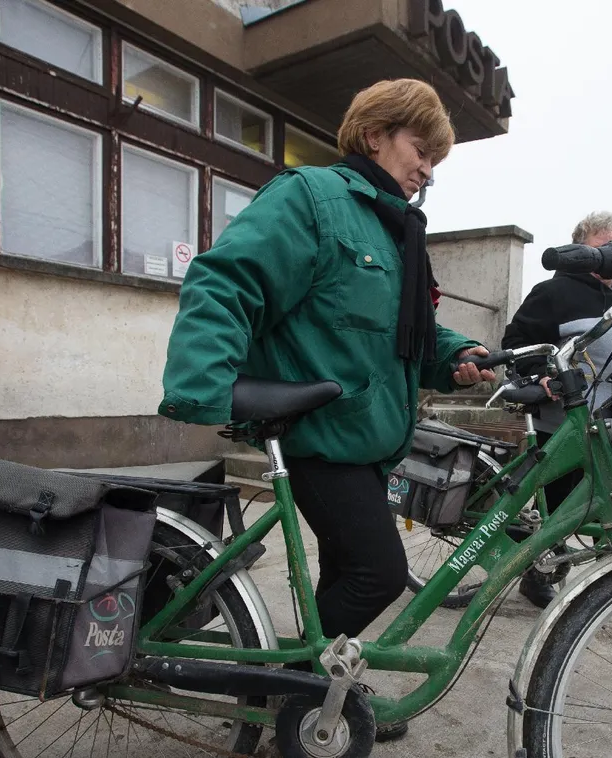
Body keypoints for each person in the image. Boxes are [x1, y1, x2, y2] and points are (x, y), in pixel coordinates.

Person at [158, 78, 495, 742]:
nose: (427, 168)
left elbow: (402, 338)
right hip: (318, 432)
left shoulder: (395, 229)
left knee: (347, 572)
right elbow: (227, 278)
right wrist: (204, 383)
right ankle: (291, 694)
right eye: (420, 148)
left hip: (367, 438)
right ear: (375, 134)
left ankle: (326, 692)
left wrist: (459, 353)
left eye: (436, 160)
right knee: (377, 572)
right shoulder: (311, 197)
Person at [499, 211, 612, 609]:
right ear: (579, 251)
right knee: (558, 506)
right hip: (565, 419)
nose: (609, 257)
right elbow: (517, 343)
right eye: (599, 248)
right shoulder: (553, 293)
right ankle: (537, 573)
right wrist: (541, 376)